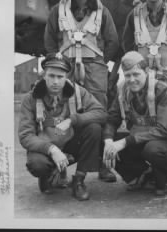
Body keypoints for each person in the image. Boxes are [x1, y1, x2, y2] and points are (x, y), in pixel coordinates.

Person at [44, 0, 119, 182]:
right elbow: (49, 39)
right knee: (61, 113)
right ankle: (60, 167)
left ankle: (103, 166)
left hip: (94, 67)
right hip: (65, 66)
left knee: (99, 114)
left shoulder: (102, 11)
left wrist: (100, 62)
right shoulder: (57, 10)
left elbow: (112, 40)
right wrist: (56, 63)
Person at [18, 54, 107, 201]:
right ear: (43, 75)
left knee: (94, 128)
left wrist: (73, 120)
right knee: (37, 164)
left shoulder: (78, 92)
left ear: (66, 76)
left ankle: (78, 180)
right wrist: (52, 150)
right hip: (46, 148)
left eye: (60, 77)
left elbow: (101, 113)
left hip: (71, 144)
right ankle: (48, 173)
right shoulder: (30, 99)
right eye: (51, 76)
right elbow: (25, 136)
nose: (55, 82)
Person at [103, 51, 167, 196]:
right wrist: (108, 141)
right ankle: (140, 175)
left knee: (153, 149)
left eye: (136, 74)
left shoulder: (162, 90)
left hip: (162, 143)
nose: (131, 80)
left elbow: (163, 130)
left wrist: (125, 142)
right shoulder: (123, 90)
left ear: (147, 71)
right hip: (137, 139)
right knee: (105, 142)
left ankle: (165, 177)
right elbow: (112, 118)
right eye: (127, 75)